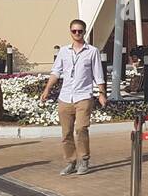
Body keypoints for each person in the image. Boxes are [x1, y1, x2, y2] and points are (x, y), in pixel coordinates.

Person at [39, 18, 106, 175]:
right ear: (70, 32)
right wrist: (47, 89)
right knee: (66, 132)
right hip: (65, 97)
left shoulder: (92, 51)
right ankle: (71, 161)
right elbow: (56, 72)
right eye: (74, 31)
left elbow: (98, 75)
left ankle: (84, 160)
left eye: (80, 31)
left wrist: (102, 94)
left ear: (84, 32)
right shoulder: (63, 51)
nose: (77, 33)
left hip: (84, 96)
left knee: (81, 128)